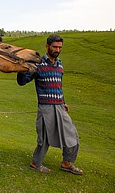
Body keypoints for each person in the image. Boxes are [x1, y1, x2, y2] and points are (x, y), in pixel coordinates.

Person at [17, 34, 83, 175]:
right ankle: (35, 163)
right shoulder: (38, 64)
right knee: (44, 138)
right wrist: (22, 68)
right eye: (54, 47)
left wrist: (63, 102)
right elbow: (22, 82)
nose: (57, 50)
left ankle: (66, 163)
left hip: (59, 106)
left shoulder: (60, 64)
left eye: (60, 47)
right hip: (45, 107)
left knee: (72, 135)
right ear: (47, 46)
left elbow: (59, 86)